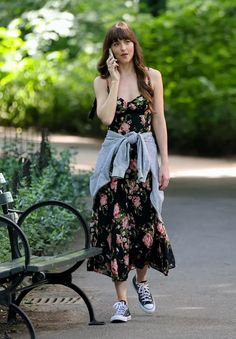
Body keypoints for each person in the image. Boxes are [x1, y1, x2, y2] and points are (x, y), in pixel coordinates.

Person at [87, 21, 175, 323]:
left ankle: (143, 282)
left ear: (134, 44)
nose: (123, 48)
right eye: (116, 44)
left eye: (127, 42)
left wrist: (165, 163)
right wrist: (112, 80)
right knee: (117, 231)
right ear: (109, 49)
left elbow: (159, 120)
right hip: (113, 167)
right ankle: (121, 302)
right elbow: (107, 118)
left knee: (146, 227)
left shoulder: (152, 77)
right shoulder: (101, 81)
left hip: (145, 164)